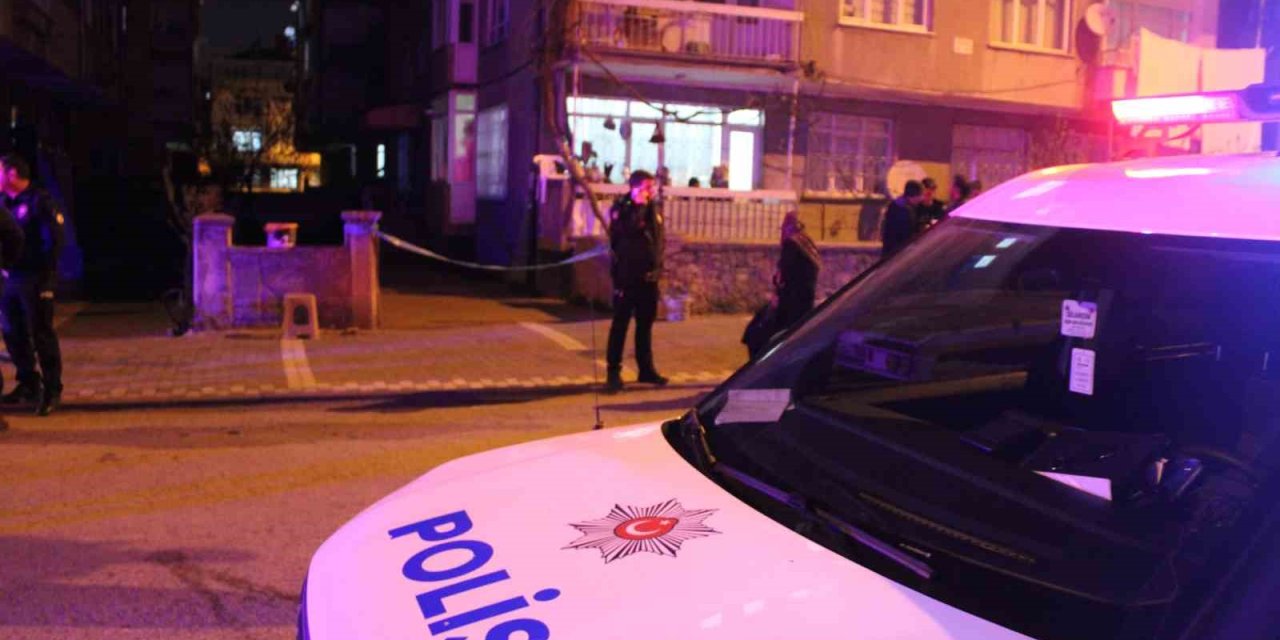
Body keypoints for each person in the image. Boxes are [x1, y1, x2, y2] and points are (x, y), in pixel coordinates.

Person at [0, 153, 65, 416]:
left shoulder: (39, 201)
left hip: (36, 277)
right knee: (12, 332)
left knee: (41, 333)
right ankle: (28, 383)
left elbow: (54, 241)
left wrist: (45, 275)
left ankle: (52, 389)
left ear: (12, 173)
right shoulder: (4, 202)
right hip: (11, 277)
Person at [604, 170, 668, 393]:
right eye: (646, 188)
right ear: (634, 187)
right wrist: (638, 208)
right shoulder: (622, 209)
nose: (651, 192)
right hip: (626, 276)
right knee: (620, 325)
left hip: (648, 277)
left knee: (645, 325)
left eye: (652, 187)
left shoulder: (653, 208)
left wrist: (658, 267)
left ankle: (646, 369)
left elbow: (658, 239)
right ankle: (613, 372)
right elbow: (624, 233)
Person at [746, 211, 821, 359]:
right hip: (805, 304)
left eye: (783, 227)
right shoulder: (807, 244)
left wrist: (777, 295)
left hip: (790, 306)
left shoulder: (791, 245)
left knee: (756, 332)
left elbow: (784, 277)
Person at [880, 179, 924, 258]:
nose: (922, 198)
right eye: (921, 195)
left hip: (889, 250)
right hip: (898, 253)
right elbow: (906, 234)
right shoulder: (905, 210)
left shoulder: (895, 204)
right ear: (915, 195)